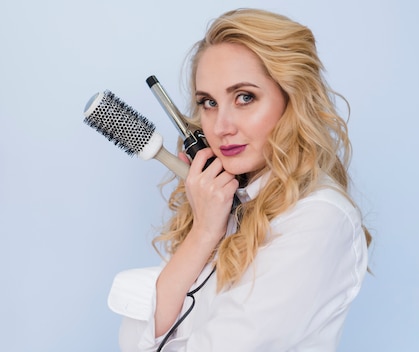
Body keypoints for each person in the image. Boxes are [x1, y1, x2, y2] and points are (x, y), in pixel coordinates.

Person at [107, 8, 372, 351]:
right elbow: (139, 339)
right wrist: (203, 232)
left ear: (291, 101)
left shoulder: (317, 219)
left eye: (245, 97)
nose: (221, 127)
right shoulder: (223, 204)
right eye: (209, 103)